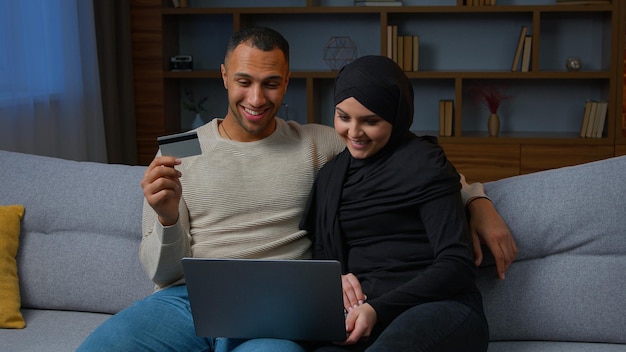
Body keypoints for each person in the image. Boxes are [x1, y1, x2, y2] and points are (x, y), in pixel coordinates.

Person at [78, 27, 515, 352]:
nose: (256, 97)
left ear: (287, 83)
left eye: (271, 83)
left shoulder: (317, 142)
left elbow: (408, 159)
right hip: (187, 301)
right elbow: (160, 272)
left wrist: (476, 199)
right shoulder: (179, 150)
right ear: (225, 77)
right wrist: (168, 218)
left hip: (278, 312)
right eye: (245, 81)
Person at [300, 55, 490, 351]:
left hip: (439, 307)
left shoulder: (425, 164)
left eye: (371, 121)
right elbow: (325, 260)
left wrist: (379, 310)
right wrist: (334, 283)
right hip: (360, 317)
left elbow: (456, 265)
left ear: (397, 115)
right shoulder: (330, 176)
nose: (353, 133)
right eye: (343, 117)